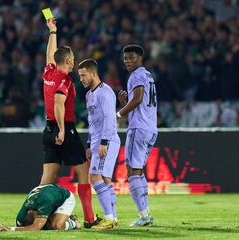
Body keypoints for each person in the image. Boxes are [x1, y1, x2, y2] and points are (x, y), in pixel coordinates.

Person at [41, 18, 98, 228]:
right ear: (69, 61)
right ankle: (90, 218)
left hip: (47, 129)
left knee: (47, 179)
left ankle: (35, 216)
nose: (74, 61)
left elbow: (50, 55)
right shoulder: (65, 79)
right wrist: (63, 130)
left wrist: (53, 32)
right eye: (72, 58)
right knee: (83, 173)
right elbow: (59, 103)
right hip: (63, 129)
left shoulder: (48, 72)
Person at [117, 44, 158, 226]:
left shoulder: (137, 75)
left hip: (138, 128)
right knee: (138, 171)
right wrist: (125, 102)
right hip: (150, 128)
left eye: (131, 57)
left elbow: (139, 98)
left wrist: (119, 113)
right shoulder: (148, 75)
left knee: (132, 171)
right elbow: (140, 101)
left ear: (140, 58)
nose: (128, 61)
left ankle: (144, 216)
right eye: (125, 58)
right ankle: (145, 214)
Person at [77, 59, 120, 229]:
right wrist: (88, 144)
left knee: (94, 177)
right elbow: (92, 122)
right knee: (105, 179)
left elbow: (110, 118)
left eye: (83, 75)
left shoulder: (106, 92)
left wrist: (103, 142)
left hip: (106, 140)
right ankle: (113, 218)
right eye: (79, 76)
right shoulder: (89, 94)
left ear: (93, 73)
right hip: (96, 142)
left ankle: (108, 219)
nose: (81, 79)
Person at [0, 184, 80, 231]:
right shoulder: (21, 216)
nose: (39, 217)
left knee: (55, 226)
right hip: (48, 194)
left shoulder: (45, 201)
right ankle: (58, 216)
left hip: (65, 197)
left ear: (31, 212)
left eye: (37, 217)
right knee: (46, 225)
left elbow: (36, 227)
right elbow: (21, 227)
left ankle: (73, 222)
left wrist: (11, 229)